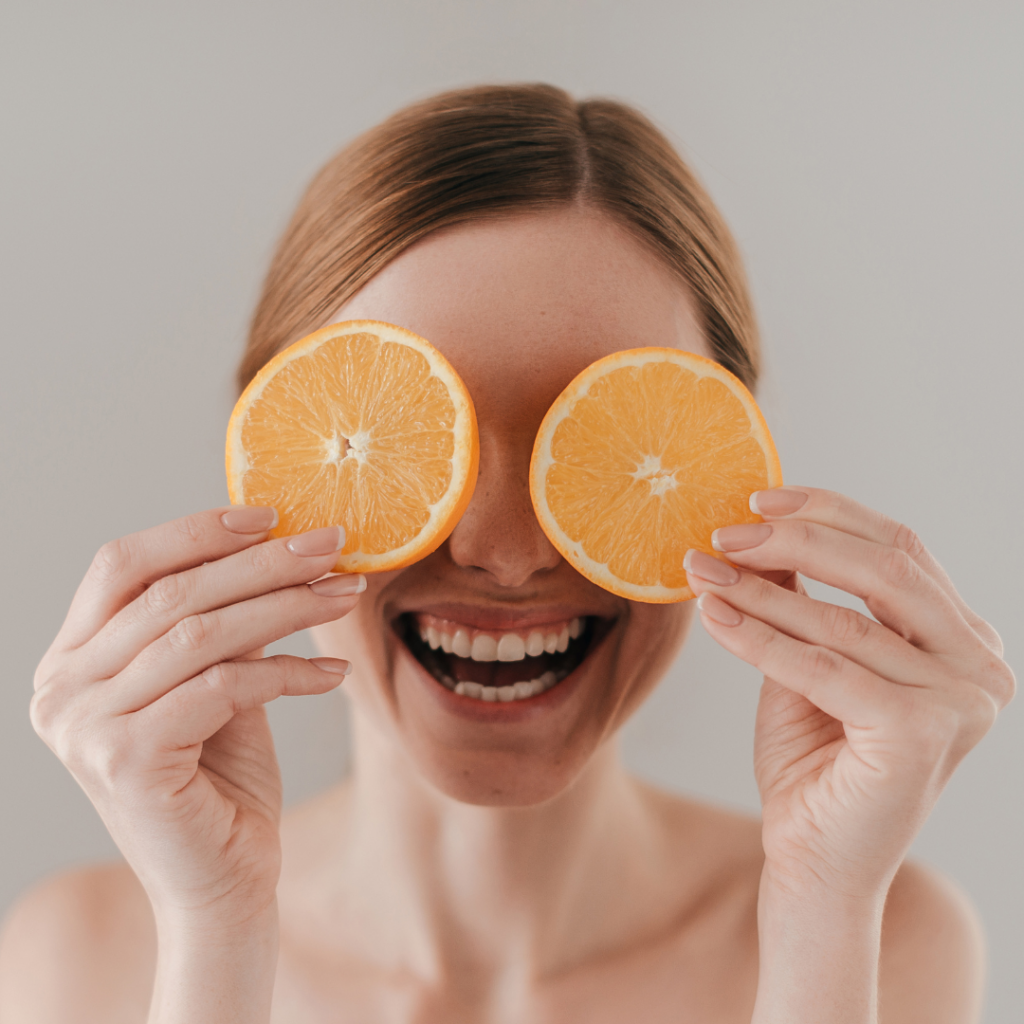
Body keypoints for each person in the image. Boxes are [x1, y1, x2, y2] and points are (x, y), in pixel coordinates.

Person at [0, 84, 1013, 1024]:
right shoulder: (80, 959)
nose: (507, 553)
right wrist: (215, 929)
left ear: (718, 465)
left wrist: (820, 912)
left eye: (608, 442)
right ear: (278, 455)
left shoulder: (885, 935)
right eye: (410, 440)